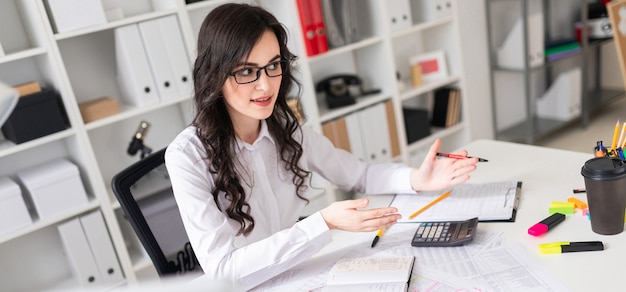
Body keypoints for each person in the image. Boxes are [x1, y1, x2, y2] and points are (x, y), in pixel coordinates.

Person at [164, 3, 478, 291]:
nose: (266, 85)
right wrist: (323, 223)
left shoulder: (284, 129)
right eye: (247, 71)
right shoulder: (187, 157)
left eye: (274, 65)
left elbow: (359, 175)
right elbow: (223, 271)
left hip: (300, 273)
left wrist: (416, 179)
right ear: (215, 74)